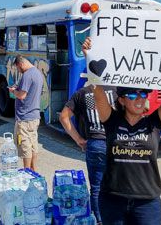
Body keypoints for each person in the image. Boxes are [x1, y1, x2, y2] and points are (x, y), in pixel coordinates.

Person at [82, 37, 161, 225]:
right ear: (121, 99)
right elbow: (97, 90)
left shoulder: (154, 123)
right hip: (113, 199)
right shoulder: (111, 121)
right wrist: (90, 56)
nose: (139, 98)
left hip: (147, 203)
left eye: (143, 93)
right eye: (132, 94)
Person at [59, 85, 117, 224]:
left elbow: (63, 117)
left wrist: (79, 139)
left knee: (97, 188)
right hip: (116, 142)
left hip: (95, 143)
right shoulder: (116, 88)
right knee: (118, 185)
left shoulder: (83, 92)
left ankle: (99, 221)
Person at [8, 55, 43, 171]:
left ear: (21, 64)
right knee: (33, 145)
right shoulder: (38, 73)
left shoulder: (27, 75)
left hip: (24, 117)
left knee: (25, 145)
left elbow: (22, 95)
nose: (19, 71)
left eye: (18, 68)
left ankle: (26, 171)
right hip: (35, 116)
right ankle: (33, 170)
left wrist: (14, 91)